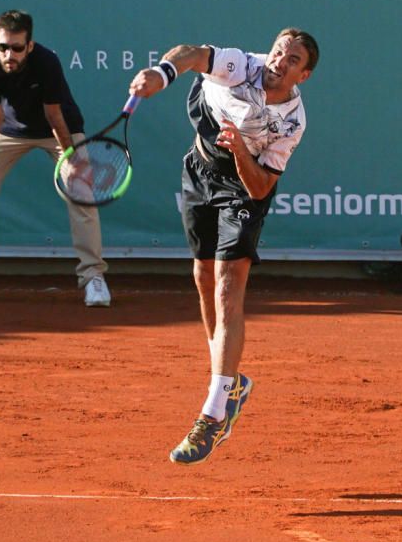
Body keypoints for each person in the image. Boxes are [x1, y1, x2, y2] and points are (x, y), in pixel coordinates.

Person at [129, 28, 319, 464]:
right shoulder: (242, 64)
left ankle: (213, 414)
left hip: (244, 186)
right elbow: (193, 52)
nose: (278, 62)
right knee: (202, 276)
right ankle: (229, 382)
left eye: (292, 61)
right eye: (277, 52)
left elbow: (260, 187)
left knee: (228, 284)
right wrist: (162, 73)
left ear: (303, 75)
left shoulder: (292, 122)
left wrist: (240, 154)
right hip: (199, 167)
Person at [0, 10, 110, 307]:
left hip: (59, 129)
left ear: (29, 45)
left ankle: (93, 278)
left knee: (80, 188)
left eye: (17, 47)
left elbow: (53, 114)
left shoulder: (46, 62)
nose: (9, 54)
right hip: (11, 131)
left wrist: (70, 157)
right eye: (3, 47)